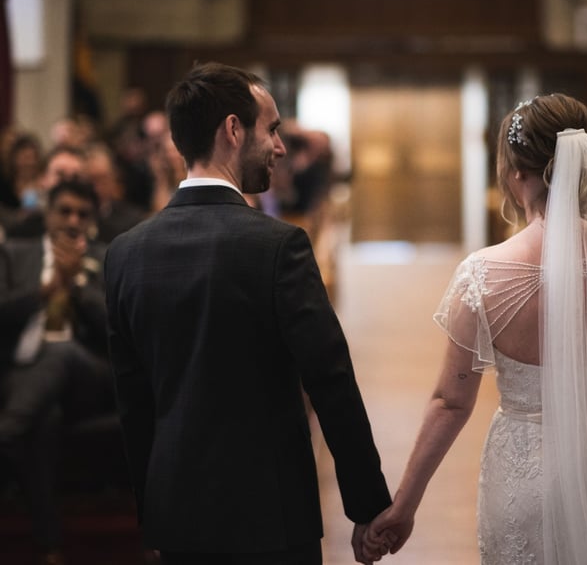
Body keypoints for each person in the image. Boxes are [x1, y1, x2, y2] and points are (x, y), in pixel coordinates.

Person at [364, 94, 587, 564]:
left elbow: (450, 403)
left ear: (516, 174)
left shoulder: (482, 274)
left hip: (525, 476)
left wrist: (403, 505)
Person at [104, 62, 391, 565]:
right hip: (271, 516)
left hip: (178, 516)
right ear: (234, 130)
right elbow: (330, 379)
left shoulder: (126, 253)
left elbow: (133, 400)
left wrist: (154, 509)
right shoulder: (278, 246)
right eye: (273, 129)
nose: (281, 147)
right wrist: (368, 506)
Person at [0, 178, 113, 565]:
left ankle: (6, 433)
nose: (73, 220)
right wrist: (46, 291)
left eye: (82, 214)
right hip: (23, 375)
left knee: (61, 353)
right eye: (64, 211)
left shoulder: (107, 257)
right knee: (44, 418)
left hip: (86, 375)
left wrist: (77, 283)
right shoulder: (15, 254)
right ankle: (50, 546)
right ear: (47, 214)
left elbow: (117, 329)